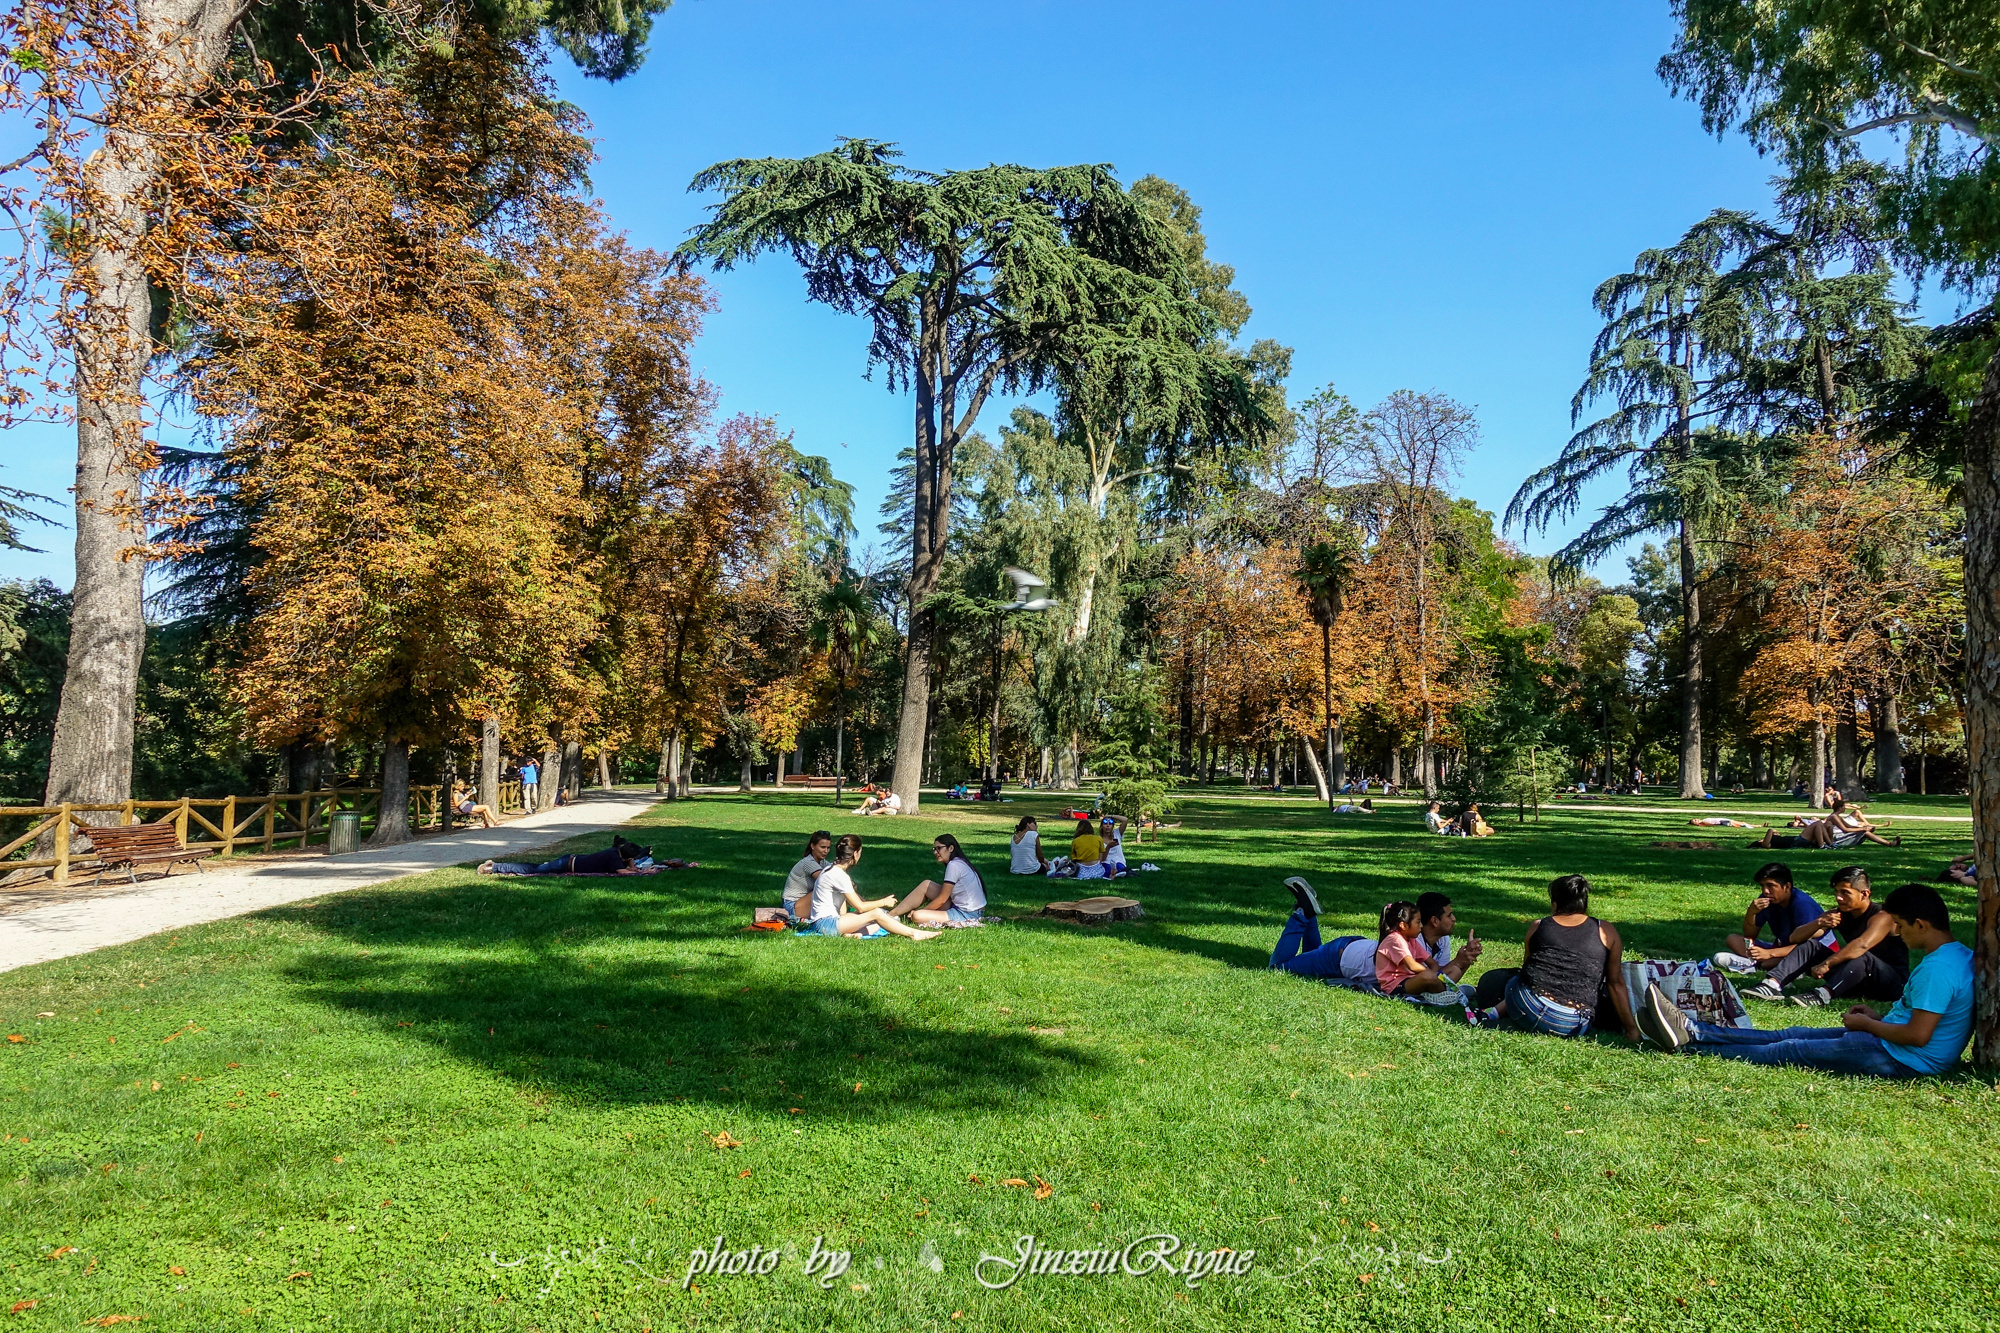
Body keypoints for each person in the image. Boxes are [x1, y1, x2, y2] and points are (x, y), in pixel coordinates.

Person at [1641, 884, 1973, 1078]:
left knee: (1790, 1049)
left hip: (1902, 1058)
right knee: (1790, 1034)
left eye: (1900, 925)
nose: (1896, 933)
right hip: (1894, 1044)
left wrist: (1868, 1026)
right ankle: (1694, 1030)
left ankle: (1692, 1043)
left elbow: (1917, 1035)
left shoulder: (1937, 969)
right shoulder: (1957, 955)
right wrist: (1876, 1019)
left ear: (1920, 924)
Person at [1472, 874, 1641, 1041]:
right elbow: (1615, 983)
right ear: (1584, 903)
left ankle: (1494, 1014)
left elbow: (1526, 973)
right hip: (1573, 1023)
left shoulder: (1539, 926)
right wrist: (1631, 1029)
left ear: (1555, 904)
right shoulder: (1606, 931)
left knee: (1512, 981)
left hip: (1528, 1006)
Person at [1739, 867, 1909, 1006]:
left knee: (1862, 956)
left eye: (1845, 892)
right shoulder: (1840, 914)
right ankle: (1772, 985)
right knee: (1812, 945)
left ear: (1864, 894)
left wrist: (1827, 964)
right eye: (1836, 892)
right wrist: (1819, 922)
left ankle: (1822, 995)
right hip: (1855, 979)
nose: (1838, 898)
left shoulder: (1882, 916)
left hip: (1891, 984)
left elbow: (1862, 945)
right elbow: (1795, 938)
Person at [799, 835, 940, 940]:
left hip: (825, 922)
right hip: (826, 924)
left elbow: (846, 904)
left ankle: (852, 935)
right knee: (878, 914)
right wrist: (884, 902)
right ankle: (914, 933)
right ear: (855, 853)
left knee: (880, 921)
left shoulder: (830, 868)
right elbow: (860, 907)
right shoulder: (838, 875)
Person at [1713, 863, 1831, 974]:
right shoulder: (1767, 900)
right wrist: (1751, 912)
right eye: (1762, 886)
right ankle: (1754, 962)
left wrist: (1769, 954)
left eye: (1771, 886)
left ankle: (1756, 966)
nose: (1765, 891)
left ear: (1787, 887)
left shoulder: (1802, 904)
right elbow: (1750, 935)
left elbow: (1806, 947)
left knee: (1772, 962)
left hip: (1812, 953)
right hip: (1782, 948)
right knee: (1733, 939)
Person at [1268, 877, 1378, 983]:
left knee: (1310, 954)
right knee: (1277, 967)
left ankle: (1307, 909)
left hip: (1356, 948)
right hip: (1338, 959)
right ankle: (1303, 913)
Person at [1373, 899, 1483, 1002]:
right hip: (1395, 986)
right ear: (1403, 925)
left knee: (1455, 970)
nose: (1421, 926)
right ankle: (1449, 993)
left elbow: (1432, 963)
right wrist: (1435, 976)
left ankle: (1443, 993)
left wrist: (1437, 975)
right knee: (1428, 976)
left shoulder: (1412, 940)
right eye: (1418, 922)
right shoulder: (1395, 939)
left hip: (1413, 979)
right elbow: (1412, 966)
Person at [891, 833, 988, 925]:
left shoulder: (954, 865)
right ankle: (892, 914)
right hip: (963, 907)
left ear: (951, 848)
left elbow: (942, 899)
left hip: (968, 914)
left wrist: (922, 911)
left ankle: (891, 916)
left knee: (917, 916)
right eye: (934, 849)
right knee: (926, 884)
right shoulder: (959, 862)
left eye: (939, 848)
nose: (935, 852)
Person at [481, 836, 651, 876]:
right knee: (533, 869)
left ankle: (495, 866)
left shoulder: (615, 853)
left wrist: (633, 865)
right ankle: (494, 867)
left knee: (535, 866)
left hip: (570, 859)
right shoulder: (613, 858)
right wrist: (642, 872)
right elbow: (624, 872)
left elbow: (629, 868)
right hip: (566, 864)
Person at [782, 830, 833, 921]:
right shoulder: (808, 862)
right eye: (822, 847)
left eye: (828, 848)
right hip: (791, 906)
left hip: (804, 903)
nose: (826, 851)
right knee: (829, 888)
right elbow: (826, 881)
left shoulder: (823, 863)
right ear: (812, 846)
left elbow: (837, 877)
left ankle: (860, 908)